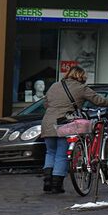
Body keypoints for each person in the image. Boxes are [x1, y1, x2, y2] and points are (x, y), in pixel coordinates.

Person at [37, 54, 93, 192]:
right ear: (81, 76)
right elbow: (99, 100)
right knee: (61, 154)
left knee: (50, 152)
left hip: (47, 122)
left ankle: (47, 181)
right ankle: (56, 185)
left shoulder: (55, 86)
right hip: (64, 123)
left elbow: (45, 104)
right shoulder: (81, 88)